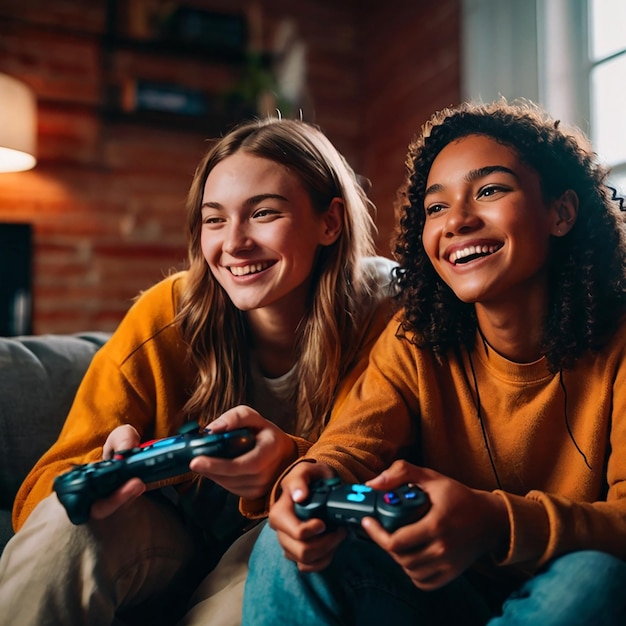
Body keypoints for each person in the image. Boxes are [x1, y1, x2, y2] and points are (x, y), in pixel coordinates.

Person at [241, 100, 626, 625]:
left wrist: (494, 521)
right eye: (436, 207)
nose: (458, 222)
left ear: (561, 212)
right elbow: (351, 443)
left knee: (596, 578)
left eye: (490, 190)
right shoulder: (416, 341)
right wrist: (310, 478)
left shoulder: (619, 343)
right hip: (441, 592)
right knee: (287, 545)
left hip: (563, 589)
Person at [0, 117, 396, 625]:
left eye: (263, 213)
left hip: (281, 538)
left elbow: (386, 475)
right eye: (215, 220)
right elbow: (44, 488)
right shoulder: (167, 313)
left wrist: (284, 463)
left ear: (330, 222)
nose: (234, 243)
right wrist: (101, 474)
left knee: (272, 574)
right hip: (165, 537)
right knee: (67, 524)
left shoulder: (385, 315)